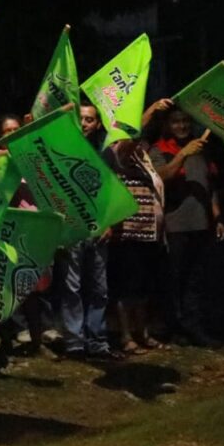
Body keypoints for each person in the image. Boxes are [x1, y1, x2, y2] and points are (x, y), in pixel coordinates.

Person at [149, 108, 224, 347]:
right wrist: (182, 154)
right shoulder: (159, 149)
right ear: (167, 125)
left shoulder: (203, 149)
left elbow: (209, 186)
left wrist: (217, 217)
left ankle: (193, 327)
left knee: (195, 279)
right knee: (172, 279)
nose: (181, 126)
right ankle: (170, 326)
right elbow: (160, 178)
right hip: (175, 225)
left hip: (201, 224)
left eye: (185, 121)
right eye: (176, 122)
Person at [55, 102, 121, 360]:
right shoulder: (63, 147)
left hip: (98, 227)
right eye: (80, 118)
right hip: (71, 226)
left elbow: (112, 190)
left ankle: (97, 341)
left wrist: (110, 223)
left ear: (98, 124)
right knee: (71, 286)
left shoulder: (106, 152)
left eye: (89, 119)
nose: (84, 123)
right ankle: (74, 341)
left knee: (99, 287)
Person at [108, 137, 167, 354]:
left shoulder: (143, 155)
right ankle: (125, 335)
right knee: (126, 286)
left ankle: (142, 332)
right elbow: (124, 151)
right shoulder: (115, 151)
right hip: (126, 231)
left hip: (148, 230)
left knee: (143, 286)